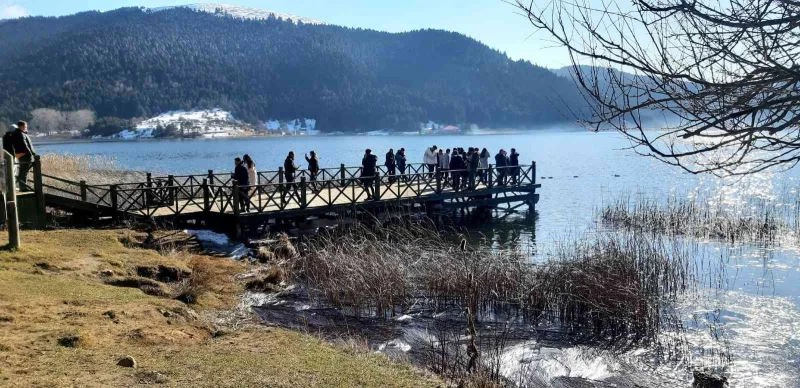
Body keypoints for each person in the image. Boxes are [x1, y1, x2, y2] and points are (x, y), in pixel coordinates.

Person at [10, 121, 35, 191]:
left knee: (23, 172)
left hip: (21, 155)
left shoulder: (17, 133)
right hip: (25, 155)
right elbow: (25, 145)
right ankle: (23, 188)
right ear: (21, 127)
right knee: (24, 172)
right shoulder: (20, 134)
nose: (26, 128)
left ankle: (22, 186)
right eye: (25, 126)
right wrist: (31, 153)